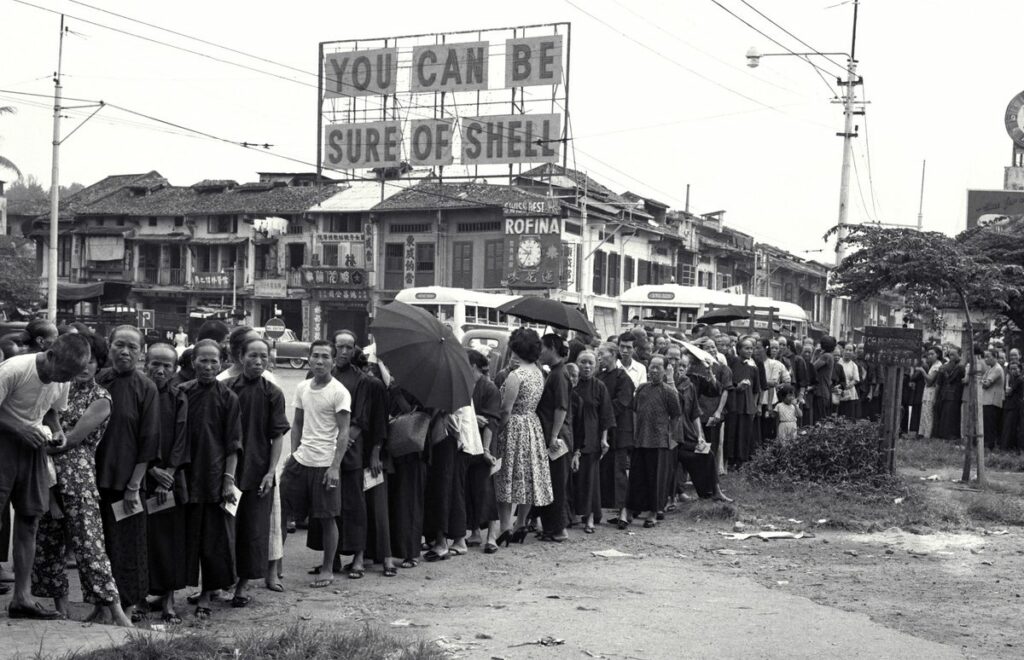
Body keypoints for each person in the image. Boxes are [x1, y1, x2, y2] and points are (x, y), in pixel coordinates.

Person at [30, 332, 131, 626]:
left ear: (99, 364)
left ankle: (115, 610)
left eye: (92, 362)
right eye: (82, 362)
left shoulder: (101, 398)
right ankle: (60, 609)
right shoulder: (57, 388)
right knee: (48, 542)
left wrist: (33, 444)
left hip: (78, 475)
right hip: (46, 474)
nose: (86, 367)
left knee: (89, 544)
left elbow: (72, 440)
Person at [0, 333, 89, 619]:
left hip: (34, 446)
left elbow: (52, 412)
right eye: (63, 372)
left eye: (70, 376)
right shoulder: (15, 369)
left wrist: (59, 431)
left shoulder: (62, 379)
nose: (64, 379)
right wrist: (19, 428)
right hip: (3, 443)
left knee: (30, 519)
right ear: (50, 354)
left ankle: (21, 599)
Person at [95, 326, 160, 622]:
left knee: (129, 547)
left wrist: (134, 485)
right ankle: (102, 607)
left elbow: (149, 441)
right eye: (119, 345)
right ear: (109, 348)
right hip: (95, 479)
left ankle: (129, 607)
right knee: (100, 546)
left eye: (132, 347)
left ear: (141, 352)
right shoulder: (99, 380)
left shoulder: (146, 387)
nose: (125, 351)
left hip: (128, 483)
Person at [177, 340, 242, 620]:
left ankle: (207, 594)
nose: (208, 366)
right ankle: (169, 594)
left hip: (214, 477)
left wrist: (228, 480)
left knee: (212, 541)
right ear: (193, 363)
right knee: (180, 538)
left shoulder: (229, 397)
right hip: (183, 477)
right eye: (203, 360)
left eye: (214, 361)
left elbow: (233, 444)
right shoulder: (180, 393)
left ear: (222, 363)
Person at [280, 340, 351, 587]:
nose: (320, 361)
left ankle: (328, 569)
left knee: (327, 517)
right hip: (300, 462)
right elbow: (297, 422)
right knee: (283, 514)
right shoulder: (301, 387)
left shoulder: (339, 391)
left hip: (324, 464)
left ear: (333, 361)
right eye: (316, 356)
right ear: (308, 358)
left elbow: (344, 432)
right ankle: (275, 566)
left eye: (325, 357)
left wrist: (334, 467)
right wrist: (294, 452)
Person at [226, 337, 289, 604]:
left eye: (264, 356)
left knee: (253, 531)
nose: (259, 361)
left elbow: (277, 436)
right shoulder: (226, 389)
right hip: (228, 471)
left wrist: (270, 472)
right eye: (253, 355)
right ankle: (217, 584)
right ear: (241, 357)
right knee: (225, 530)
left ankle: (242, 587)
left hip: (258, 469)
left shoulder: (272, 392)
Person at [143, 341, 190, 624]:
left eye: (166, 366)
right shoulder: (138, 392)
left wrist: (168, 474)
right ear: (145, 363)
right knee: (142, 539)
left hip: (169, 482)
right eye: (155, 364)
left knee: (170, 541)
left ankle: (169, 603)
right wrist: (149, 470)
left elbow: (183, 437)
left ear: (174, 370)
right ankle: (138, 598)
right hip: (140, 476)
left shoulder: (178, 397)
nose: (160, 370)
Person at [494, 328, 552, 545]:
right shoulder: (538, 373)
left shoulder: (515, 376)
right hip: (532, 426)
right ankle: (521, 524)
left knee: (506, 477)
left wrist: (497, 432)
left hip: (514, 426)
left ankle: (505, 526)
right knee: (527, 478)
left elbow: (506, 410)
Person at [625, 356, 680, 529]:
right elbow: (635, 411)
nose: (654, 371)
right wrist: (634, 432)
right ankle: (633, 510)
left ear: (665, 370)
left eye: (658, 368)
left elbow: (676, 416)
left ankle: (654, 512)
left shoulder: (669, 391)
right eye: (652, 367)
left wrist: (670, 437)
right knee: (637, 477)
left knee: (656, 479)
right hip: (641, 439)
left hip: (659, 441)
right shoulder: (642, 388)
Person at [534, 333, 573, 543]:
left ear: (552, 348)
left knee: (557, 483)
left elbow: (561, 407)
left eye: (542, 347)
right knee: (550, 482)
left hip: (557, 437)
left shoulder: (559, 375)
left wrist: (554, 435)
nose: (540, 352)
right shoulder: (553, 372)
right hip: (552, 434)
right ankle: (551, 527)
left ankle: (559, 529)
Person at [571, 350, 613, 534]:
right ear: (577, 363)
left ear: (595, 366)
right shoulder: (571, 383)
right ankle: (570, 514)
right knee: (571, 480)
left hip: (591, 438)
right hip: (571, 437)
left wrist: (604, 439)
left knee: (589, 480)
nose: (586, 366)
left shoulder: (599, 387)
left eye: (590, 363)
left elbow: (606, 415)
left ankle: (589, 518)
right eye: (582, 362)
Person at [465, 350, 502, 553]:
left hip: (484, 443)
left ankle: (492, 535)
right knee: (469, 487)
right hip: (468, 443)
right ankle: (475, 532)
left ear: (474, 366)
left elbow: (492, 421)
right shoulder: (464, 385)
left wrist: (487, 449)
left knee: (486, 489)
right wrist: (473, 417)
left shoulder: (489, 388)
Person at [595, 342, 634, 529]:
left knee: (619, 473)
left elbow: (622, 402)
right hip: (603, 430)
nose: (599, 356)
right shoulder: (600, 375)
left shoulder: (623, 378)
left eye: (602, 353)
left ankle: (624, 512)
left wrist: (604, 413)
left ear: (613, 354)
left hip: (619, 431)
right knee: (604, 473)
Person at [725, 338, 762, 468]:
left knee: (744, 434)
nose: (749, 351)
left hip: (748, 406)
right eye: (746, 348)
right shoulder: (733, 363)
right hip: (734, 404)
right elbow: (728, 384)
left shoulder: (753, 369)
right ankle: (730, 460)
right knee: (733, 433)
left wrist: (755, 406)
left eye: (751, 348)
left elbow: (756, 390)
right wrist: (737, 387)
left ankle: (742, 460)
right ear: (739, 349)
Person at [936, 347, 965, 440]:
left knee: (951, 415)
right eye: (950, 355)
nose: (951, 357)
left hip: (955, 394)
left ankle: (951, 435)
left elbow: (950, 379)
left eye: (953, 354)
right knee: (946, 414)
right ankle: (944, 434)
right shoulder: (952, 365)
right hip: (948, 393)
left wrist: (944, 371)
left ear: (959, 355)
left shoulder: (960, 366)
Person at [980, 349, 1004, 450]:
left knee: (990, 425)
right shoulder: (990, 369)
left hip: (992, 401)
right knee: (987, 424)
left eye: (988, 357)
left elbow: (986, 384)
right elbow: (983, 380)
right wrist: (982, 380)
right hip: (988, 401)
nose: (985, 359)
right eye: (985, 357)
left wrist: (981, 381)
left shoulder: (997, 369)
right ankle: (988, 445)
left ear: (995, 357)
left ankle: (990, 446)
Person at [917, 348, 942, 438]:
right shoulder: (932, 365)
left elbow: (930, 380)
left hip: (931, 391)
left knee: (928, 414)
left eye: (932, 354)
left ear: (938, 355)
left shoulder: (937, 366)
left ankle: (927, 435)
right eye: (928, 354)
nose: (929, 356)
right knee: (924, 412)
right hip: (927, 391)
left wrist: (922, 371)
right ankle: (922, 434)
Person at [812, 336, 837, 421]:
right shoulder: (829, 356)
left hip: (821, 392)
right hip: (824, 391)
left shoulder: (826, 356)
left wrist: (814, 354)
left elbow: (812, 368)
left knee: (819, 419)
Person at [1001, 361, 1023, 452]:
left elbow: (1008, 391)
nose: (1013, 371)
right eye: (1011, 369)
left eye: (1015, 368)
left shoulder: (1019, 379)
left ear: (1020, 369)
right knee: (1008, 426)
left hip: (1015, 406)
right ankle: (1009, 447)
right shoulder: (1014, 379)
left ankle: (1006, 448)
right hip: (1011, 405)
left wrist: (1006, 379)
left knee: (1009, 427)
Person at [837, 344, 861, 419]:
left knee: (848, 416)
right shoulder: (838, 362)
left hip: (849, 393)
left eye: (850, 350)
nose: (848, 352)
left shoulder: (854, 365)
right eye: (846, 349)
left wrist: (847, 387)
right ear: (843, 350)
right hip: (837, 391)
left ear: (853, 352)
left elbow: (856, 379)